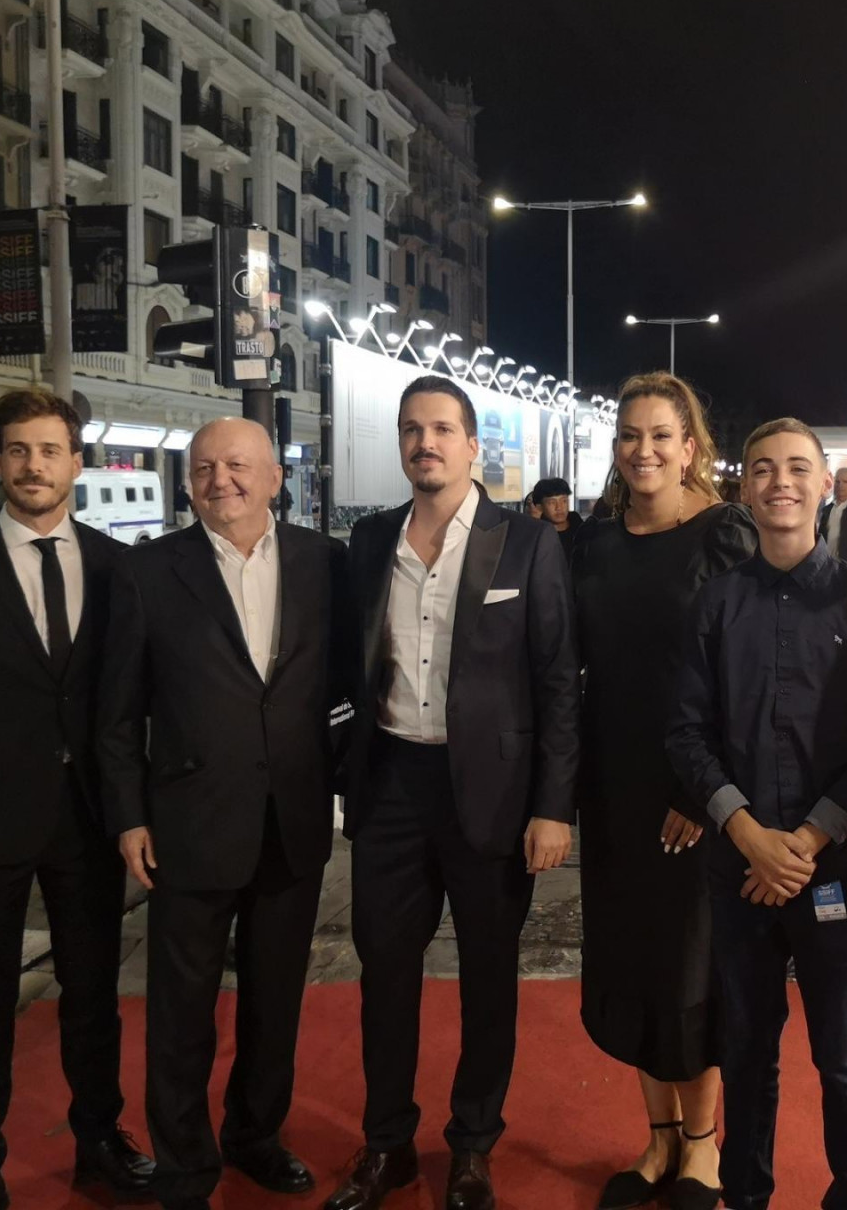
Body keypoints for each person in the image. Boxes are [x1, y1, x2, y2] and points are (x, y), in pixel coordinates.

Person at [325, 375, 577, 1210]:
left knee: (488, 978)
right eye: (411, 429)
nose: (424, 443)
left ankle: (472, 1145)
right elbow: (348, 669)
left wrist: (553, 806)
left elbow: (557, 683)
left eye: (440, 429)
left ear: (472, 446)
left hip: (494, 796)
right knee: (384, 975)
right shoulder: (370, 541)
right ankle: (387, 1144)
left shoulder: (527, 544)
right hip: (392, 786)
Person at [99, 417, 351, 1210]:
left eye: (238, 465)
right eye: (204, 468)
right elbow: (116, 712)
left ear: (276, 478)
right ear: (188, 483)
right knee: (181, 1014)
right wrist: (128, 815)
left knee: (275, 1005)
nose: (221, 480)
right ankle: (184, 1169)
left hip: (292, 823)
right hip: (189, 824)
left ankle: (255, 1135)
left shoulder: (326, 564)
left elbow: (348, 683)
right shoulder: (147, 571)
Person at [667, 417, 847, 1210]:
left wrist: (801, 842)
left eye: (798, 467)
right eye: (764, 468)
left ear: (825, 483)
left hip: (832, 868)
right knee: (745, 1052)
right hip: (738, 869)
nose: (780, 482)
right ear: (744, 486)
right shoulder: (714, 604)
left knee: (845, 1056)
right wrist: (747, 834)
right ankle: (746, 1195)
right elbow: (686, 733)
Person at [572, 372, 756, 1210]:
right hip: (614, 784)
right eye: (629, 435)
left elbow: (744, 674)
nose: (642, 450)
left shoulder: (725, 535)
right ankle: (657, 1139)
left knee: (690, 969)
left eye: (660, 435)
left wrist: (703, 788)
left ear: (690, 447)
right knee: (633, 961)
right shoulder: (595, 543)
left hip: (695, 789)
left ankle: (703, 1148)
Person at [0, 390, 154, 1210]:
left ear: (77, 462)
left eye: (48, 450)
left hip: (87, 818)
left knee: (92, 997)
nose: (32, 465)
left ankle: (99, 1139)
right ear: (0, 459)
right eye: (17, 449)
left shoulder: (118, 567)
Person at [532, 475, 583, 562]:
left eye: (564, 501)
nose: (559, 507)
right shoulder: (537, 537)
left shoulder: (582, 530)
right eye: (552, 503)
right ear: (539, 507)